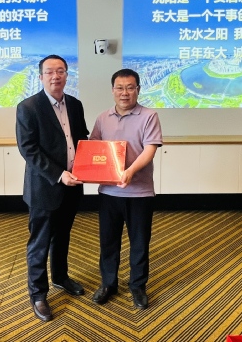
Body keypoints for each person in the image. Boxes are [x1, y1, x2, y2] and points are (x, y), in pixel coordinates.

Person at [15, 55, 90, 322]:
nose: (55, 76)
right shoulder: (28, 107)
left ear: (67, 75)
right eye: (49, 72)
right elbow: (28, 149)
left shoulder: (75, 105)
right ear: (41, 77)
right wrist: (59, 175)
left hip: (73, 185)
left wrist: (92, 163)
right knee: (40, 242)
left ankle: (60, 277)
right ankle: (37, 294)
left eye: (60, 71)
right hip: (45, 187)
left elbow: (81, 139)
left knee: (63, 236)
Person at [90, 68, 163, 310]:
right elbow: (94, 149)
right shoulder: (103, 118)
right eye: (120, 88)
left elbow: (150, 149)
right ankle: (108, 284)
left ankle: (138, 286)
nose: (124, 93)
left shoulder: (149, 116)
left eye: (130, 88)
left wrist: (130, 171)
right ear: (113, 90)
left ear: (138, 90)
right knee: (108, 242)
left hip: (139, 192)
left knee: (139, 242)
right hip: (109, 192)